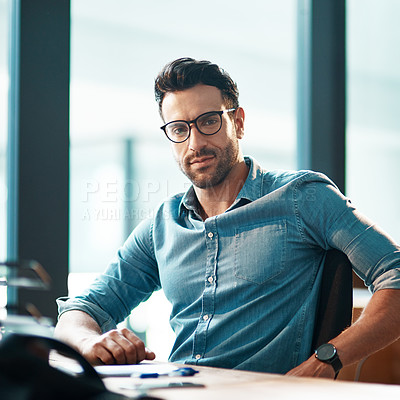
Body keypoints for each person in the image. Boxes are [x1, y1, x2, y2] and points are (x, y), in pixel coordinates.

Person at [55, 57, 400, 378]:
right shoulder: (162, 225)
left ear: (238, 121)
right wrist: (89, 342)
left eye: (208, 122)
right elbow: (82, 310)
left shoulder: (302, 197)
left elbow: (395, 275)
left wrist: (326, 360)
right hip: (176, 389)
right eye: (179, 129)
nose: (195, 143)